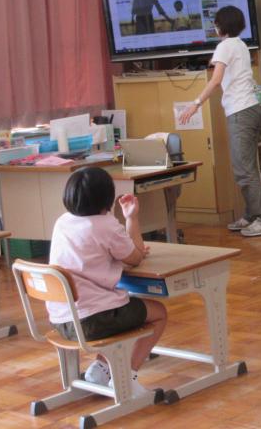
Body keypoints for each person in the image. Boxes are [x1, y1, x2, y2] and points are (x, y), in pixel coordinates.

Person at [47, 167, 167, 396]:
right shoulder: (105, 225)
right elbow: (136, 258)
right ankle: (127, 376)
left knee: (118, 306)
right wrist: (131, 217)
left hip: (62, 320)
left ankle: (100, 369)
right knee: (158, 313)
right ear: (107, 198)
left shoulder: (62, 222)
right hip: (92, 321)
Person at [178, 5, 261, 237]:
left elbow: (215, 80)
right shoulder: (240, 44)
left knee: (244, 169)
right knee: (245, 167)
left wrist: (195, 104)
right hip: (249, 109)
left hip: (241, 112)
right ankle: (251, 215)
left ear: (221, 26)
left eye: (216, 23)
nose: (214, 27)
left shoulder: (224, 46)